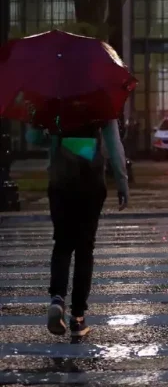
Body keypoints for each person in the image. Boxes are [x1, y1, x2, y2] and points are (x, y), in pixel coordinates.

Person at [26, 120, 129, 339]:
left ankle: (57, 299)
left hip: (61, 180)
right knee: (85, 248)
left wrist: (49, 134)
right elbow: (114, 144)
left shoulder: (54, 100)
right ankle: (78, 317)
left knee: (62, 244)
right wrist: (122, 181)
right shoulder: (101, 102)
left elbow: (33, 138)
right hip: (91, 182)